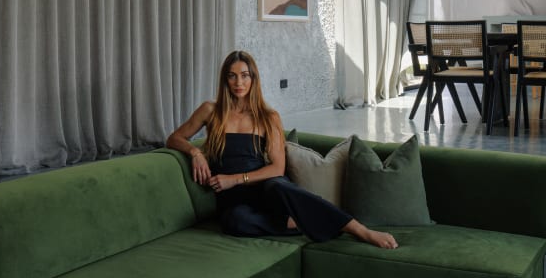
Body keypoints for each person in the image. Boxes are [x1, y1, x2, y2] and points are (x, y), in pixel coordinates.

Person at [166, 50, 397, 249]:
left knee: (279, 186)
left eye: (245, 75)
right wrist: (195, 153)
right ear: (225, 79)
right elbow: (174, 138)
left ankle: (360, 230)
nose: (239, 83)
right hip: (234, 199)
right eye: (232, 76)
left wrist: (234, 179)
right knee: (234, 222)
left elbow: (277, 168)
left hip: (264, 185)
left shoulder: (268, 116)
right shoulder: (210, 110)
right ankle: (309, 222)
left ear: (253, 78)